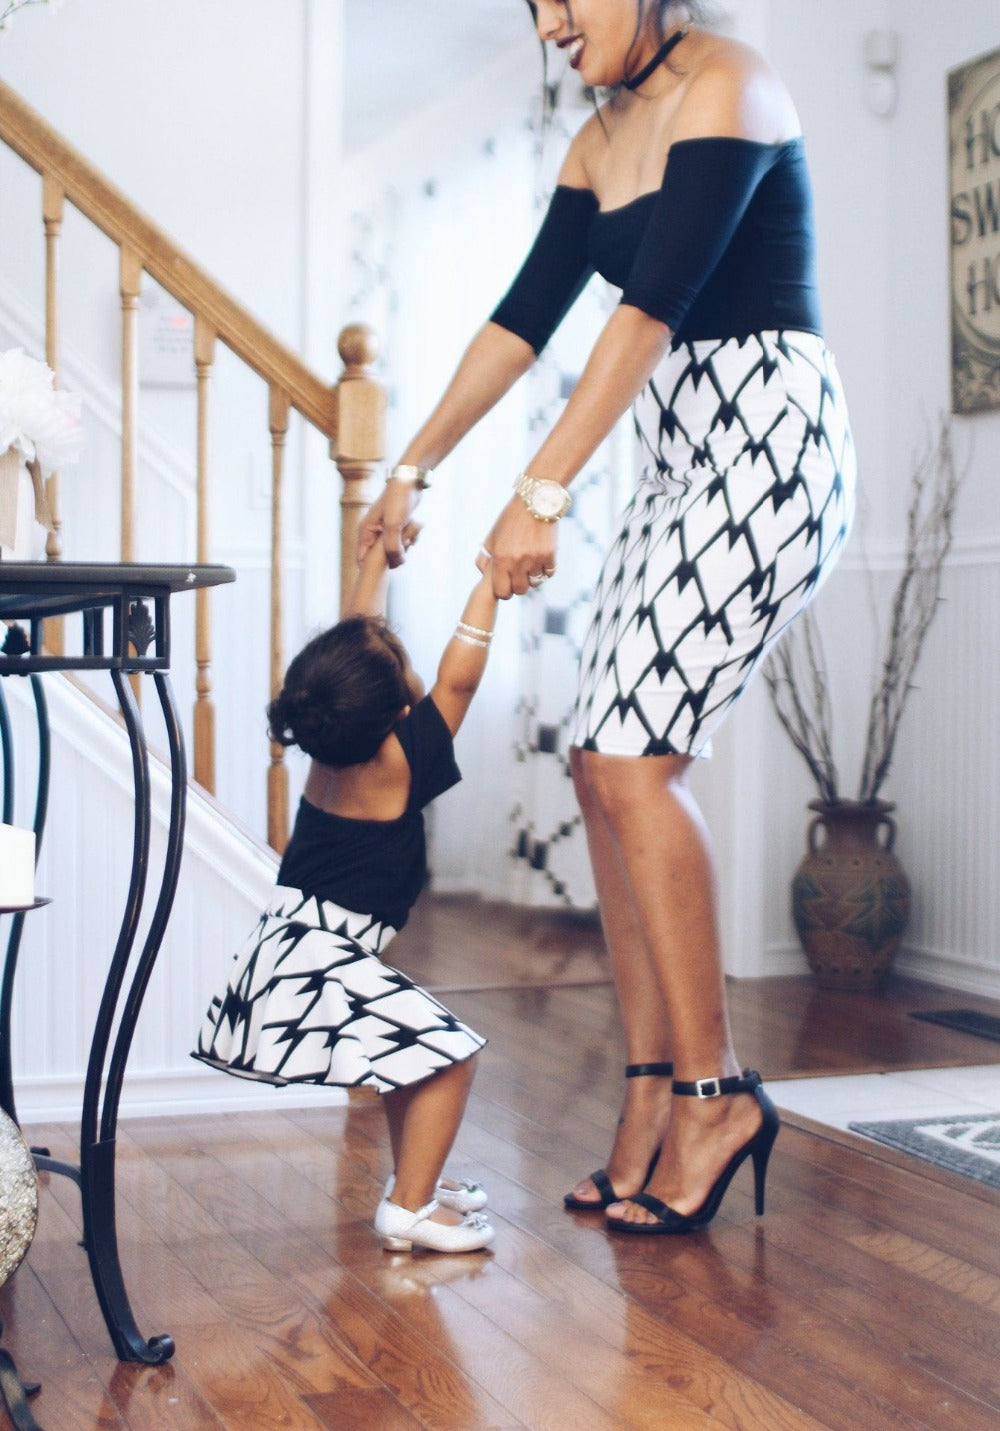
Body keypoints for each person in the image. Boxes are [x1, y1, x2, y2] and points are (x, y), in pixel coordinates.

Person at [359, 0, 856, 1235]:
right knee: (594, 766)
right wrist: (410, 468)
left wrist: (540, 493)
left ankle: (714, 1098)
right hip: (681, 454)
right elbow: (522, 319)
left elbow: (650, 311)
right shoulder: (594, 143)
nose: (547, 27)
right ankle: (648, 1094)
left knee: (635, 763)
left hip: (771, 449)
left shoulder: (730, 84)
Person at [194, 535, 499, 1253]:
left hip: (292, 940)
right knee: (453, 1057)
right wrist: (490, 584)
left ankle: (416, 1179)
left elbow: (355, 638)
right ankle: (410, 1211)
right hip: (320, 954)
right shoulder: (399, 758)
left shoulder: (328, 736)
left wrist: (373, 567)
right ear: (392, 704)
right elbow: (459, 680)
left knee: (407, 1053)